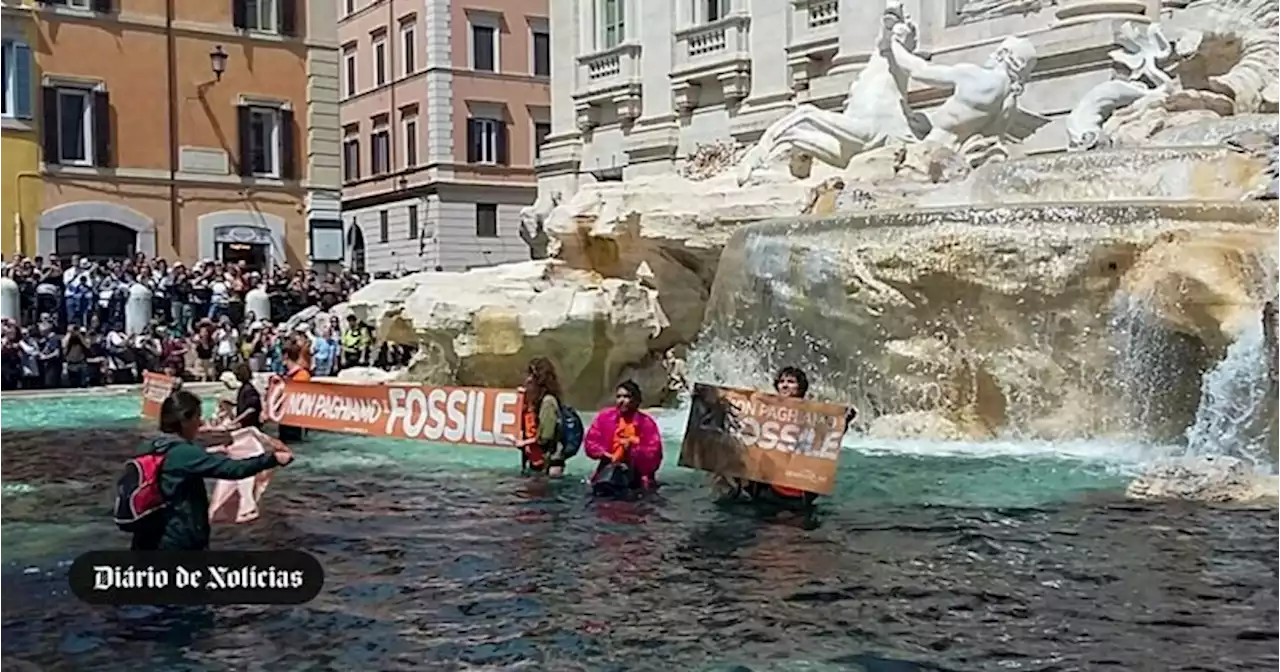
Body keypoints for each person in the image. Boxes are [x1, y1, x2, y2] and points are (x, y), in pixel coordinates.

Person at [129, 389, 291, 551]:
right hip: (179, 542)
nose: (200, 423)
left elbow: (177, 466)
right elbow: (233, 469)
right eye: (197, 417)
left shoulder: (150, 446)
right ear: (184, 420)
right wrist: (272, 459)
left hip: (147, 538)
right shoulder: (184, 453)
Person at [582, 380, 663, 495]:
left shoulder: (646, 423)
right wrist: (605, 454)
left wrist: (633, 449)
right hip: (608, 474)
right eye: (619, 396)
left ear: (636, 400)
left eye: (626, 396)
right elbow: (591, 443)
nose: (621, 400)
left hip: (637, 478)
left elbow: (654, 455)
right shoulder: (605, 418)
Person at [517, 357, 566, 477]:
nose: (527, 379)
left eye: (531, 375)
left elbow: (545, 436)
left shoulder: (548, 402)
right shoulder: (537, 400)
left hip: (550, 464)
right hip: (539, 461)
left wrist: (523, 443)